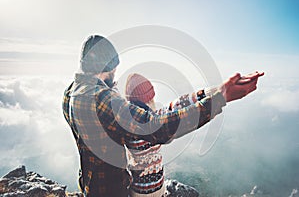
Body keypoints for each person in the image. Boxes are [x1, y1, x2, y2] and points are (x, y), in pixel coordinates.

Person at [62, 35, 264, 197]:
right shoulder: (103, 99)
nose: (115, 77)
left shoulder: (70, 93)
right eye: (114, 71)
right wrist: (220, 99)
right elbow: (158, 127)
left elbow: (166, 109)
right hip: (113, 189)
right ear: (106, 67)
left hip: (89, 185)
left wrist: (215, 91)